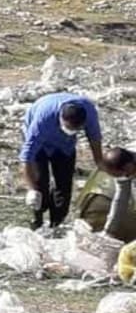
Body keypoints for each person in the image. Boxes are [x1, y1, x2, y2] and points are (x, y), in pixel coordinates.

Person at [19, 92, 103, 230]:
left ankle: (56, 224)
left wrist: (100, 164)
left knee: (63, 188)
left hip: (65, 146)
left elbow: (94, 138)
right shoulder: (43, 120)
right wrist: (31, 189)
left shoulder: (89, 113)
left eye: (75, 129)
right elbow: (27, 157)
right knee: (40, 185)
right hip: (41, 144)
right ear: (61, 119)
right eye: (68, 128)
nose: (71, 131)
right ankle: (37, 221)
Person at [99, 147, 136, 241]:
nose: (120, 178)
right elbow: (121, 199)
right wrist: (109, 230)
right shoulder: (122, 168)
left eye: (119, 175)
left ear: (128, 167)